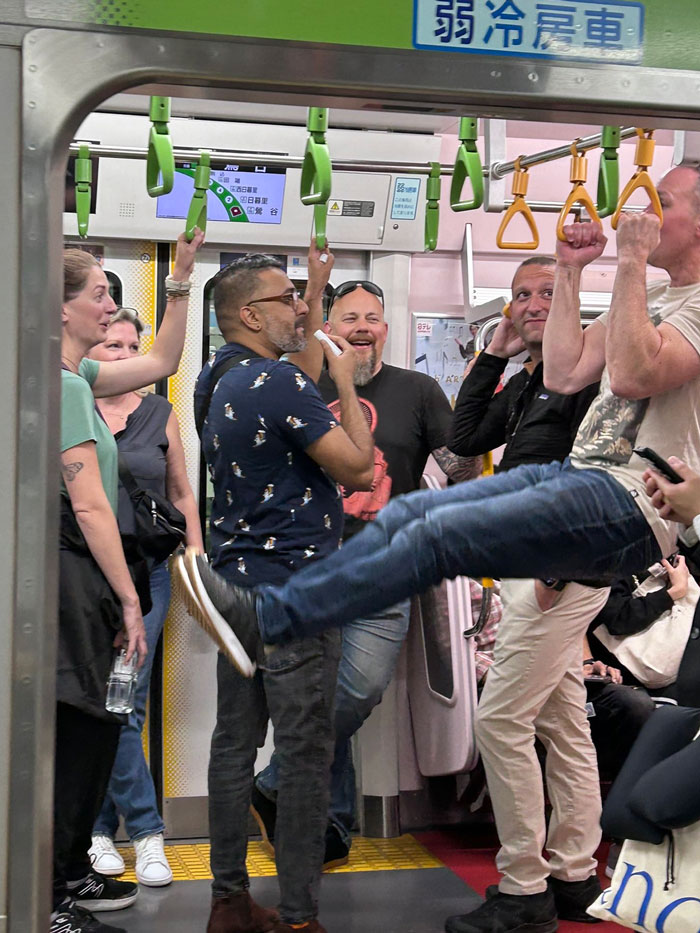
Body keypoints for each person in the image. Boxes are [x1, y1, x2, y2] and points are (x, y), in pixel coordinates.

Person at [182, 165, 700, 921]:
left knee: (437, 540)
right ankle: (556, 874)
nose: (641, 210)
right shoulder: (654, 294)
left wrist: (624, 259)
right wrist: (568, 268)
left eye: (664, 200)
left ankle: (269, 616)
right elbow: (563, 369)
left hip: (627, 503)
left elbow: (635, 367)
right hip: (579, 478)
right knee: (414, 520)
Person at [178, 244, 374, 933]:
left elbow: (297, 372)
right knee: (303, 753)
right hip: (298, 592)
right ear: (250, 313)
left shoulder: (216, 378)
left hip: (240, 589)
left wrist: (316, 294)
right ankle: (299, 918)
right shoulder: (281, 384)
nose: (299, 307)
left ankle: (227, 899)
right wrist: (349, 384)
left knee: (235, 743)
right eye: (287, 298)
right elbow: (357, 472)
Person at [252, 277, 479, 868]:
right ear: (328, 324)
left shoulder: (419, 390)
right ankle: (328, 825)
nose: (361, 327)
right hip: (307, 565)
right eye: (349, 316)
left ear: (384, 327)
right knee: (320, 695)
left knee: (357, 689)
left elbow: (460, 469)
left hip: (386, 565)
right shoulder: (298, 383)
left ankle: (275, 782)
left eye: (372, 318)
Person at [445, 256, 607, 931]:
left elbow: (595, 469)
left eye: (547, 291)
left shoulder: (590, 377)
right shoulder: (530, 382)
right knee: (563, 721)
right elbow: (464, 438)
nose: (532, 303)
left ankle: (522, 886)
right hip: (531, 562)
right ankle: (574, 873)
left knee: (500, 720)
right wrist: (494, 354)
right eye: (520, 295)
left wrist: (557, 564)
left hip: (558, 564)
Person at [56, 230, 203, 933]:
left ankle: (69, 870)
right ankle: (53, 890)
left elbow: (163, 358)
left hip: (87, 577)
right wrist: (127, 598)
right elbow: (88, 504)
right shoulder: (58, 385)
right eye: (98, 295)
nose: (110, 307)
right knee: (83, 723)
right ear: (60, 310)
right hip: (74, 577)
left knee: (96, 720)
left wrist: (180, 279)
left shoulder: (77, 377)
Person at [84, 308, 203, 887]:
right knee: (103, 700)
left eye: (133, 346)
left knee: (121, 696)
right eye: (112, 344)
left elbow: (181, 490)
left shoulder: (159, 412)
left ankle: (115, 832)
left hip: (150, 573)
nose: (124, 355)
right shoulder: (71, 402)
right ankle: (131, 831)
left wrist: (197, 561)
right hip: (85, 572)